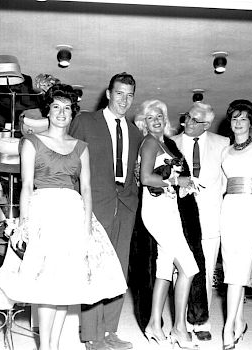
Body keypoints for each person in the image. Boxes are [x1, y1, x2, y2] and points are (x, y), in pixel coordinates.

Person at [0, 83, 127, 350]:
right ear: (47, 111)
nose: (61, 113)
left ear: (73, 113)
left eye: (67, 108)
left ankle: (54, 346)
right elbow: (27, 185)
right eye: (56, 107)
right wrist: (24, 224)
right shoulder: (31, 142)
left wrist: (87, 228)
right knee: (46, 285)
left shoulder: (81, 147)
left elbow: (85, 188)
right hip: (43, 212)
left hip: (73, 215)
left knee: (67, 285)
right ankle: (46, 346)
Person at [69, 72, 143, 350]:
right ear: (109, 93)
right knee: (94, 268)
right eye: (119, 93)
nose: (124, 99)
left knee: (119, 270)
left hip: (125, 204)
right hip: (94, 203)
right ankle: (91, 335)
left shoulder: (135, 132)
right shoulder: (86, 121)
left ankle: (110, 331)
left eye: (130, 95)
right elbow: (71, 165)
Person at [134, 99, 203, 350]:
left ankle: (154, 324)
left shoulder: (164, 142)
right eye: (151, 116)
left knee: (164, 268)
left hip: (169, 208)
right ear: (143, 121)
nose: (157, 120)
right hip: (156, 211)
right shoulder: (150, 142)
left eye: (160, 115)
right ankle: (179, 327)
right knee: (189, 267)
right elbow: (145, 178)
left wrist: (184, 186)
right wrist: (178, 180)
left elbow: (170, 179)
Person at [171, 101, 229, 341]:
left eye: (195, 120)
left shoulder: (223, 143)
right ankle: (181, 320)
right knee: (180, 270)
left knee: (204, 270)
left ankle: (202, 321)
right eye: (187, 117)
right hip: (180, 217)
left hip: (209, 218)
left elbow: (226, 182)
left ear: (207, 125)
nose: (188, 123)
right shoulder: (171, 143)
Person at [220, 99, 252, 350]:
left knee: (238, 271)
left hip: (251, 208)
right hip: (228, 208)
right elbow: (221, 186)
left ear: (251, 122)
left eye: (243, 119)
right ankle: (239, 321)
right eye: (234, 119)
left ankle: (228, 327)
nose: (238, 123)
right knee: (231, 268)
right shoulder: (225, 151)